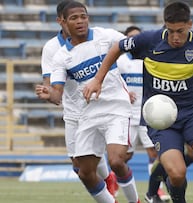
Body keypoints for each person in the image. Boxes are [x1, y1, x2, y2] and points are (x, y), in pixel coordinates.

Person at [83, 1, 193, 203]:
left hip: (192, 112)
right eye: (170, 31)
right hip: (159, 119)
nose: (175, 37)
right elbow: (117, 47)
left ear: (189, 24)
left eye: (180, 31)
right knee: (177, 173)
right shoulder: (149, 40)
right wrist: (98, 80)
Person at [35, 1, 140, 203]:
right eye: (74, 18)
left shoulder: (106, 36)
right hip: (82, 113)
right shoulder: (57, 52)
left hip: (115, 108)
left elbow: (132, 45)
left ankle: (134, 199)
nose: (80, 21)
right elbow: (56, 92)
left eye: (83, 16)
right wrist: (49, 95)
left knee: (117, 161)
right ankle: (110, 192)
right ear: (62, 22)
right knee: (82, 171)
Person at [117, 25, 170, 202]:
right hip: (127, 115)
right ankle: (116, 182)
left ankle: (157, 190)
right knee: (124, 156)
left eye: (137, 37)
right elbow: (112, 81)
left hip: (148, 114)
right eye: (131, 37)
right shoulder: (121, 61)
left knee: (154, 154)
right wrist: (123, 91)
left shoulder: (150, 58)